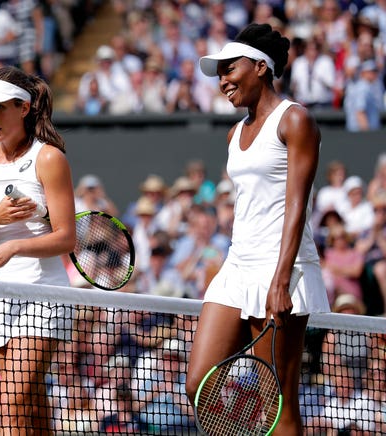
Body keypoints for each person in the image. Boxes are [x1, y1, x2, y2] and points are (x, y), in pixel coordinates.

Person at [185, 23, 330, 435]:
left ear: (261, 67)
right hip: (237, 267)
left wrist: (281, 279)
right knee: (198, 384)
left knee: (278, 401)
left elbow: (297, 206)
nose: (223, 81)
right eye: (219, 75)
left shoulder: (295, 120)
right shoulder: (234, 133)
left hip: (281, 269)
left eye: (230, 69)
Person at [0, 65, 76, 435]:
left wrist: (14, 247)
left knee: (10, 401)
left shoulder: (49, 158)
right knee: (29, 406)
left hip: (43, 294)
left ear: (23, 108)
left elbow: (66, 238)